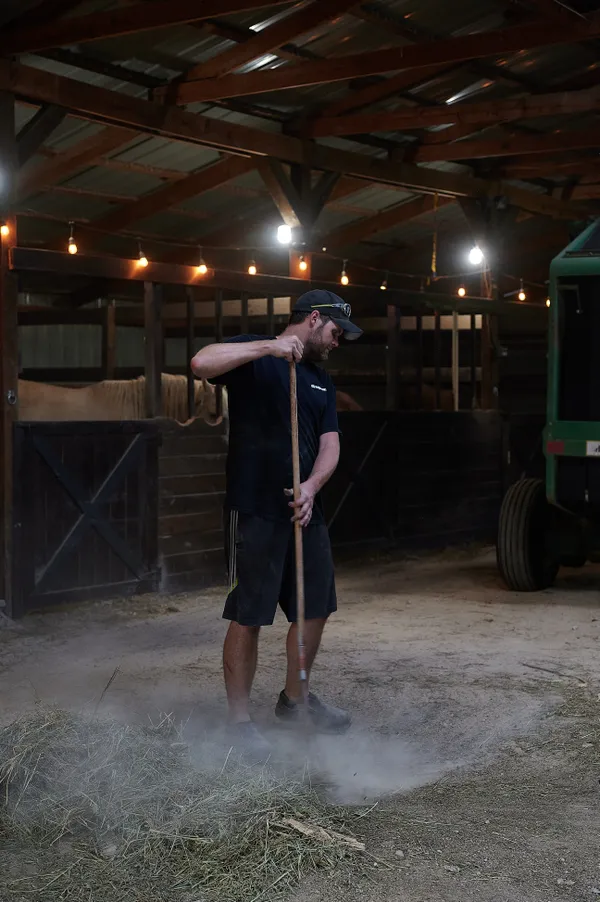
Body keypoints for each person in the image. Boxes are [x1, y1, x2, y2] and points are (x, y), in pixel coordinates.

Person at [191, 288, 362, 760]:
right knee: (250, 613)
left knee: (315, 609)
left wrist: (311, 488)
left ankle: (294, 701)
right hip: (255, 508)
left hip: (305, 511)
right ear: (313, 319)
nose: (338, 340)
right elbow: (201, 364)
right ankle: (239, 721)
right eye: (335, 330)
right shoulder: (256, 355)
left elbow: (331, 443)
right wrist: (268, 346)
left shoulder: (322, 382)